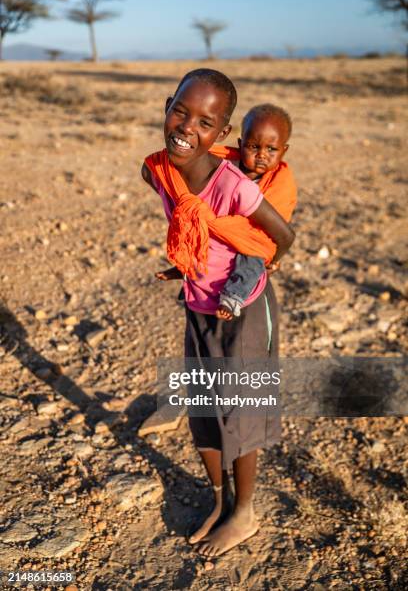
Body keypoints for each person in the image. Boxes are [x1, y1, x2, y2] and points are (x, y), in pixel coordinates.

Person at [141, 68, 295, 557]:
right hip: (198, 305)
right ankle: (219, 501)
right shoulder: (159, 170)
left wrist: (244, 279)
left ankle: (244, 514)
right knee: (205, 411)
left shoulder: (235, 186)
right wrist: (186, 265)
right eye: (181, 112)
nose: (188, 128)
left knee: (242, 413)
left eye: (206, 122)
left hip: (243, 313)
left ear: (221, 134)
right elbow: (195, 232)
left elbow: (282, 237)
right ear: (167, 107)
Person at [216, 103, 297, 320]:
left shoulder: (281, 181)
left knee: (253, 256)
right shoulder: (226, 168)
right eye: (253, 147)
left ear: (284, 150)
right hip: (220, 237)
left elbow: (280, 229)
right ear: (241, 144)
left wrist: (273, 258)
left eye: (271, 149)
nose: (262, 155)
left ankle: (234, 296)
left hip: (256, 240)